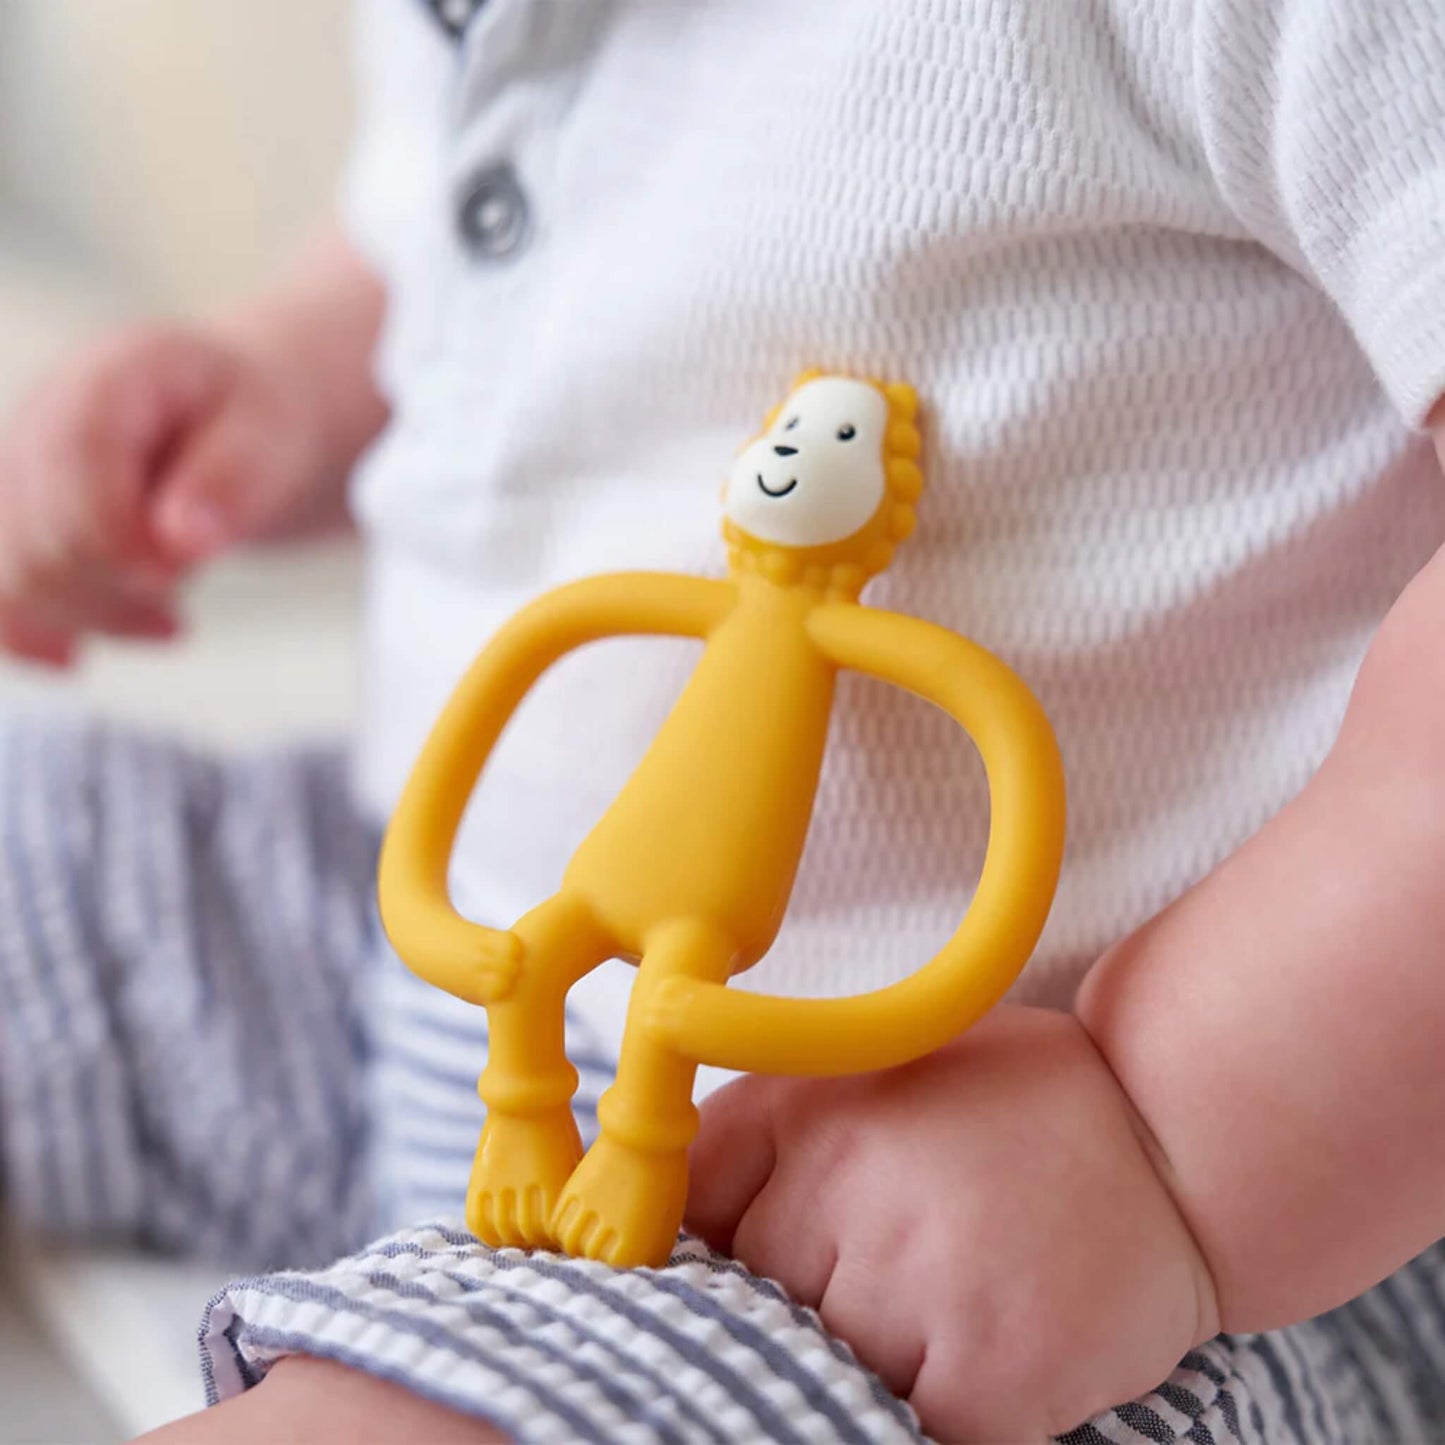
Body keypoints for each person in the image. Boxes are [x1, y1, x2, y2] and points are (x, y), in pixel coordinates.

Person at [2, 1, 1445, 1440]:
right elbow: (480, 227)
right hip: (438, 962)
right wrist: (287, 377)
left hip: (1017, 1185)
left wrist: (1166, 1131)